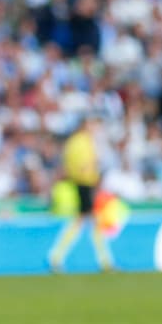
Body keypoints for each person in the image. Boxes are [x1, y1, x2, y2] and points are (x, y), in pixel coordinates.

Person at [47, 115, 116, 272]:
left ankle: (58, 256)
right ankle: (104, 261)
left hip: (79, 183)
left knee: (86, 221)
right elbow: (87, 165)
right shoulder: (83, 142)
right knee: (89, 221)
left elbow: (69, 164)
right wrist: (92, 178)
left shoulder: (73, 142)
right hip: (85, 184)